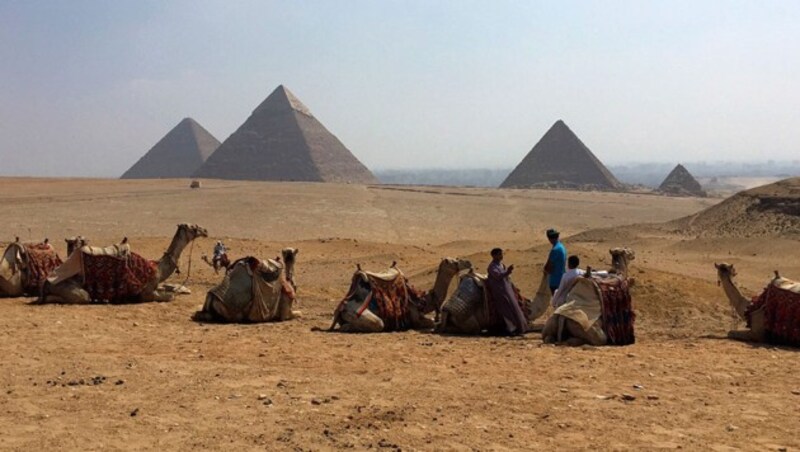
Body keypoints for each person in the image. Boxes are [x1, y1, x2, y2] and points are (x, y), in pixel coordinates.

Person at [486, 248, 528, 336]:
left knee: (514, 307)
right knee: (505, 310)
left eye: (501, 254)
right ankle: (511, 329)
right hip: (499, 292)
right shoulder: (492, 267)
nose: (501, 256)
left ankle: (519, 327)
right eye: (499, 254)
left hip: (507, 290)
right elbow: (498, 276)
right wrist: (508, 271)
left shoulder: (501, 265)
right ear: (494, 256)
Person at [544, 228, 566, 294]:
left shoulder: (555, 250)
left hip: (555, 281)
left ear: (549, 238)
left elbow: (548, 267)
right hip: (561, 278)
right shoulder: (561, 247)